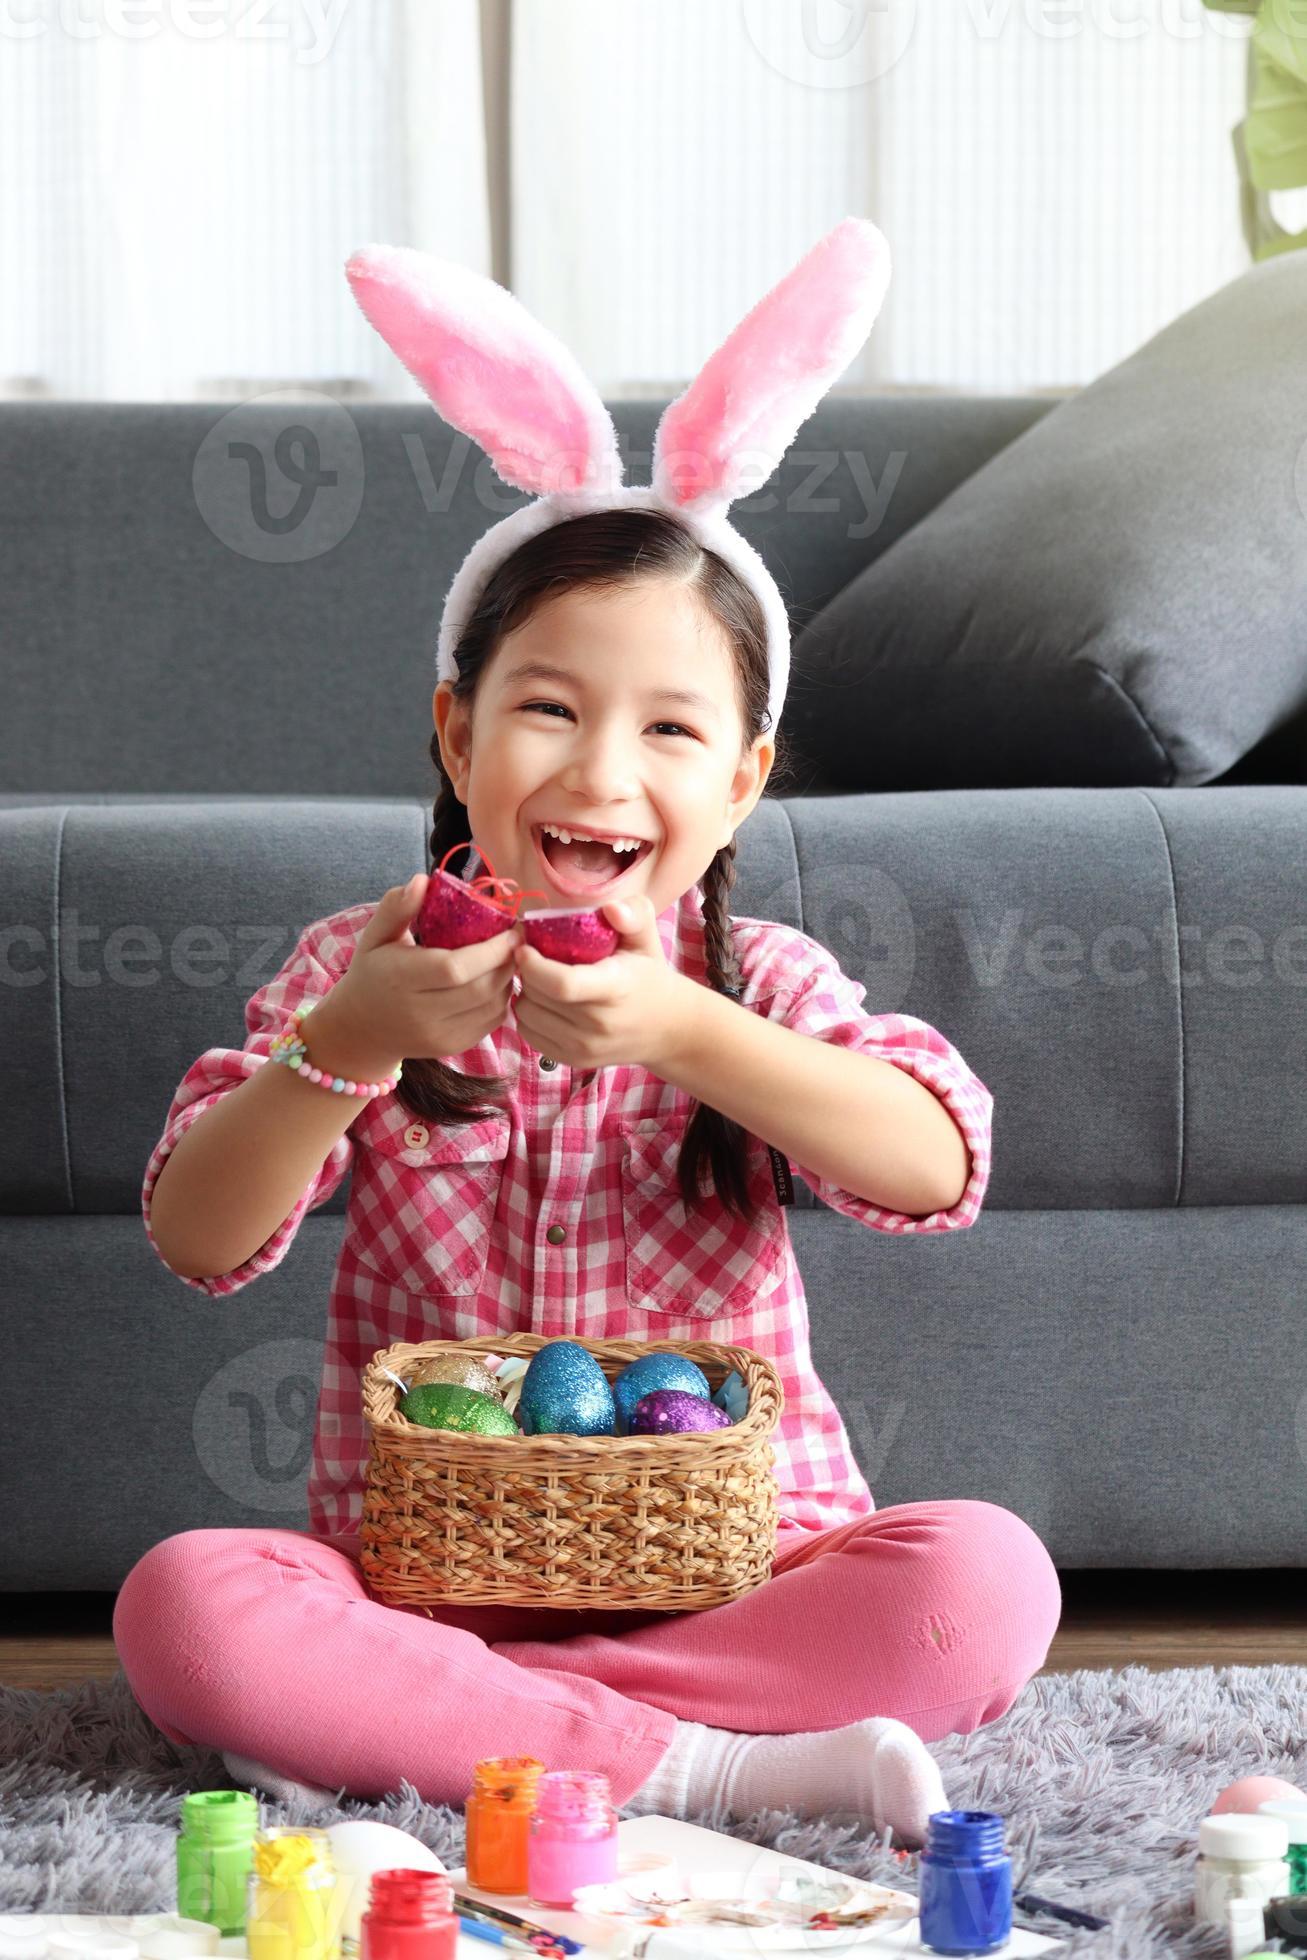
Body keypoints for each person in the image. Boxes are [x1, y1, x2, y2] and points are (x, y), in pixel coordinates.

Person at [114, 220, 1061, 1845]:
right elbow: (198, 1230)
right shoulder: (365, 966)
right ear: (456, 728)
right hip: (433, 1599)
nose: (601, 771)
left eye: (672, 728)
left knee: (986, 1580)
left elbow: (934, 1164)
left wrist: (691, 1031)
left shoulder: (755, 976)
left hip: (739, 1580)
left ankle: (504, 1743)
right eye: (547, 706)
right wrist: (343, 1044)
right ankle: (713, 1772)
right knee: (189, 1607)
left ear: (745, 779)